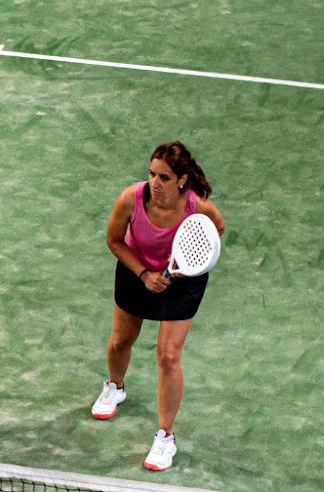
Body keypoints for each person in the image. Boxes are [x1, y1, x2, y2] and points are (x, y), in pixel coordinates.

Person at [91, 141, 225, 471]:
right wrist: (144, 273)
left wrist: (187, 265)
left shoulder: (199, 206)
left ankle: (166, 437)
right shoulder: (131, 199)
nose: (154, 182)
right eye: (151, 174)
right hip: (137, 268)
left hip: (182, 279)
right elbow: (113, 240)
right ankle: (115, 387)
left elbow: (217, 230)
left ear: (181, 180)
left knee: (167, 356)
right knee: (121, 340)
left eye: (164, 177)